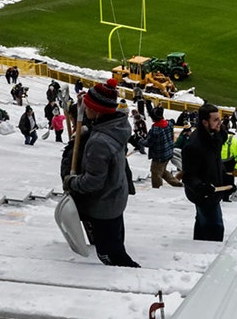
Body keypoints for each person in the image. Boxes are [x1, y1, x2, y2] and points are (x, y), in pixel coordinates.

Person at [61, 80, 140, 267]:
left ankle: (128, 276)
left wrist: (71, 181)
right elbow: (100, 121)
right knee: (117, 244)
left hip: (103, 206)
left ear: (96, 110)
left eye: (88, 106)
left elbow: (93, 182)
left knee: (109, 255)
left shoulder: (99, 143)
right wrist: (84, 107)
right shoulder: (118, 124)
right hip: (115, 198)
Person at [181, 104, 229, 241]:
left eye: (219, 119)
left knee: (203, 224)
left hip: (215, 189)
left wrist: (226, 181)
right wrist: (201, 187)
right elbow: (188, 176)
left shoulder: (216, 135)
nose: (220, 122)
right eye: (215, 120)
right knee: (215, 227)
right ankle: (208, 254)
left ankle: (199, 249)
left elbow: (216, 163)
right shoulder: (193, 146)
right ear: (204, 122)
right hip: (203, 194)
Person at [141, 106, 183, 188]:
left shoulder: (155, 130)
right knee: (162, 171)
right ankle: (177, 183)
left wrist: (140, 141)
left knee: (155, 173)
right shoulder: (169, 124)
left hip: (159, 156)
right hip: (168, 153)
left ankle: (157, 189)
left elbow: (148, 143)